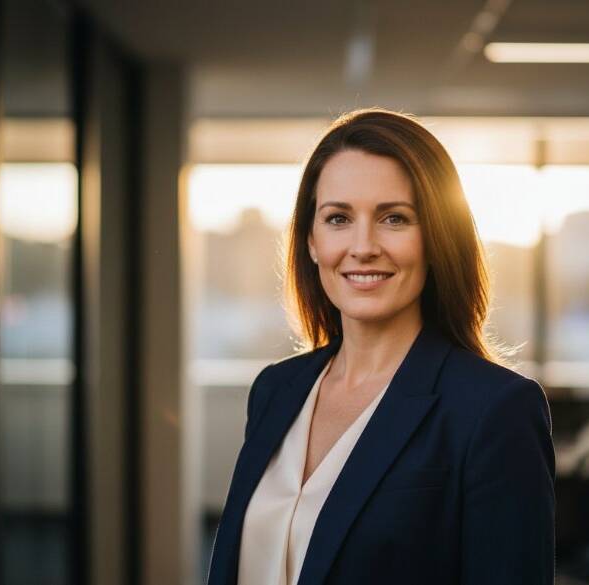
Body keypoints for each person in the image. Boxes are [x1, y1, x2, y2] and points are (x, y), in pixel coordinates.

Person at [207, 108, 555, 585]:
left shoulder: (493, 410)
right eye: (338, 218)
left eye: (394, 218)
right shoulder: (275, 390)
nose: (363, 245)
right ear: (311, 241)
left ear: (435, 238)